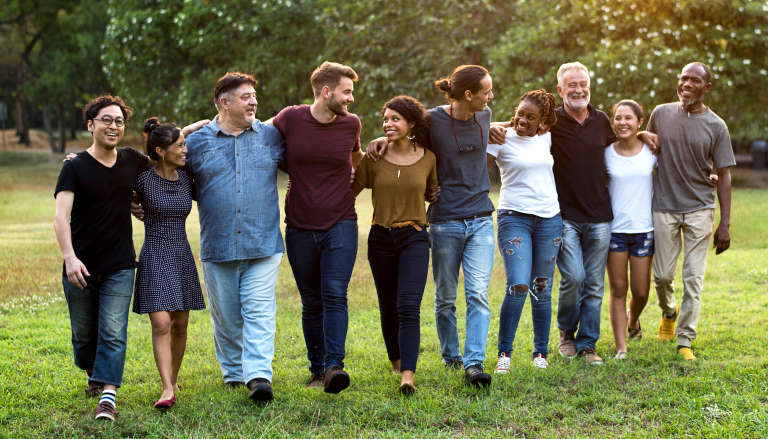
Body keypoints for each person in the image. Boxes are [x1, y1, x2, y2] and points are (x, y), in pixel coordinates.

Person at [368, 65, 496, 387]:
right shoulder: (434, 121)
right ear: (468, 94)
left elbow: (506, 124)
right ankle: (451, 355)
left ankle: (473, 363)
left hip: (481, 217)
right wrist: (379, 139)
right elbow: (403, 133)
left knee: (478, 293)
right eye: (487, 90)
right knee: (446, 297)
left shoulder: (486, 116)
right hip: (445, 220)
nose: (491, 97)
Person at [184, 72, 285, 402]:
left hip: (263, 242)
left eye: (254, 95)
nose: (254, 101)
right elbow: (164, 166)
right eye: (246, 96)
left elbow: (312, 158)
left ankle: (257, 376)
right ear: (224, 103)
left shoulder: (271, 136)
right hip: (219, 243)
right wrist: (183, 132)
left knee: (258, 309)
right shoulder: (197, 142)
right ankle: (233, 372)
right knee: (226, 315)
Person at [271, 61, 364, 394]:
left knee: (335, 294)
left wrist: (380, 146)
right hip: (299, 225)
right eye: (347, 91)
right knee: (311, 301)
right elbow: (256, 136)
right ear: (326, 92)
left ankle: (333, 367)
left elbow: (357, 161)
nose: (351, 99)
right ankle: (315, 369)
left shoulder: (351, 124)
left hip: (341, 222)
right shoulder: (290, 118)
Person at [54, 95, 148, 421]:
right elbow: (60, 217)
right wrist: (69, 258)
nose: (114, 126)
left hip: (120, 263)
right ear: (91, 125)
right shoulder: (74, 167)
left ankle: (108, 395)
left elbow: (167, 152)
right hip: (80, 264)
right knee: (83, 337)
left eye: (119, 121)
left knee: (113, 331)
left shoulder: (132, 159)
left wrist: (195, 127)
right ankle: (94, 370)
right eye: (106, 120)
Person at [648, 62, 735, 361]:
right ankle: (668, 312)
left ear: (706, 87)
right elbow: (648, 151)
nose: (686, 84)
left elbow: (724, 175)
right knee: (660, 276)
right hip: (664, 206)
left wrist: (724, 224)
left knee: (693, 278)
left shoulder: (716, 125)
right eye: (683, 78)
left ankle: (685, 340)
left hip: (700, 208)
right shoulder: (660, 114)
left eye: (694, 80)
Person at [352, 95, 437, 394]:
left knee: (408, 306)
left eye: (395, 119)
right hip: (381, 238)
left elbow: (432, 192)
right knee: (388, 306)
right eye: (385, 119)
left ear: (411, 123)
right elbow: (349, 188)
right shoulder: (373, 158)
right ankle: (396, 362)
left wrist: (433, 195)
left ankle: (408, 378)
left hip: (414, 236)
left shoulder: (428, 157)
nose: (388, 123)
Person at [486, 90, 562, 373]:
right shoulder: (500, 138)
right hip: (513, 217)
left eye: (531, 117)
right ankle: (504, 353)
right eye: (520, 114)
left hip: (549, 218)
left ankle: (540, 353)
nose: (523, 120)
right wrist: (491, 128)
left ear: (542, 121)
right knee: (518, 284)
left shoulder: (547, 136)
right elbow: (476, 166)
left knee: (542, 286)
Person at [133, 118, 206, 408]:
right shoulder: (142, 178)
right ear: (161, 151)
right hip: (155, 250)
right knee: (161, 322)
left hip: (181, 252)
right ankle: (166, 388)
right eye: (179, 146)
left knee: (181, 322)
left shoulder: (187, 177)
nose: (185, 150)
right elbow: (110, 179)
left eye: (184, 145)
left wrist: (188, 130)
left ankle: (173, 378)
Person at [604, 100, 656, 360]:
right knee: (618, 289)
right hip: (614, 231)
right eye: (618, 118)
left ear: (639, 122)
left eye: (628, 118)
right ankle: (621, 348)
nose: (622, 123)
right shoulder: (606, 153)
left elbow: (674, 174)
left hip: (644, 230)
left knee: (641, 291)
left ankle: (634, 318)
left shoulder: (652, 151)